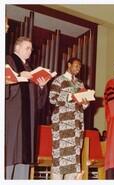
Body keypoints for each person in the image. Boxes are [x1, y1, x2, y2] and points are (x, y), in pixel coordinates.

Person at [5, 36, 49, 179]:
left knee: (23, 155)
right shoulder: (8, 61)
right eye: (27, 48)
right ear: (17, 48)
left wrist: (41, 87)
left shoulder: (30, 69)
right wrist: (18, 76)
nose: (30, 51)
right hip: (12, 116)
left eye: (31, 48)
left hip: (27, 121)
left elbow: (38, 103)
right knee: (9, 152)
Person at [49, 57, 89, 180]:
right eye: (76, 65)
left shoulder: (80, 83)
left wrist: (85, 103)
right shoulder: (59, 80)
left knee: (74, 160)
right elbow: (52, 98)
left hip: (76, 125)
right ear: (69, 65)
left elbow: (83, 104)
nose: (78, 68)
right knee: (60, 158)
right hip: (62, 124)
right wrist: (69, 97)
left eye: (80, 67)